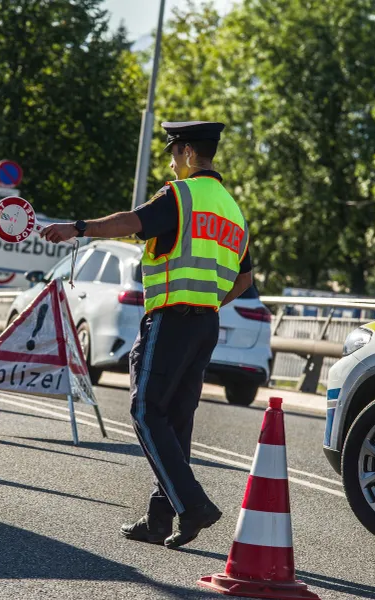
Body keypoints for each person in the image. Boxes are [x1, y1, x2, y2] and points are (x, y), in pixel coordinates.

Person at [40, 121, 253, 548]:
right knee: (175, 419)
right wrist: (207, 299)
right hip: (206, 322)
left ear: (189, 153)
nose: (172, 163)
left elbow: (129, 222)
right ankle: (161, 519)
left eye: (174, 153)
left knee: (144, 410)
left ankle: (191, 504)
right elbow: (245, 280)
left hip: (171, 318)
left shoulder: (181, 195)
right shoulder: (233, 210)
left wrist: (76, 227)